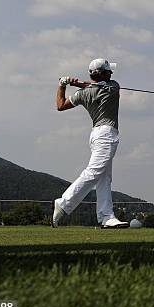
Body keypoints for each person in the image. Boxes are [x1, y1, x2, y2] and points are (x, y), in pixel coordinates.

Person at [52, 58, 129, 228]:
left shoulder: (83, 93)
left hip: (96, 134)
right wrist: (76, 83)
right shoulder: (113, 86)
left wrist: (62, 85)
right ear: (103, 73)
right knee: (94, 172)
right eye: (109, 71)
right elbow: (95, 85)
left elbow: (60, 105)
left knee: (104, 177)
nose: (111, 73)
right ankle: (64, 203)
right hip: (106, 135)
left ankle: (106, 216)